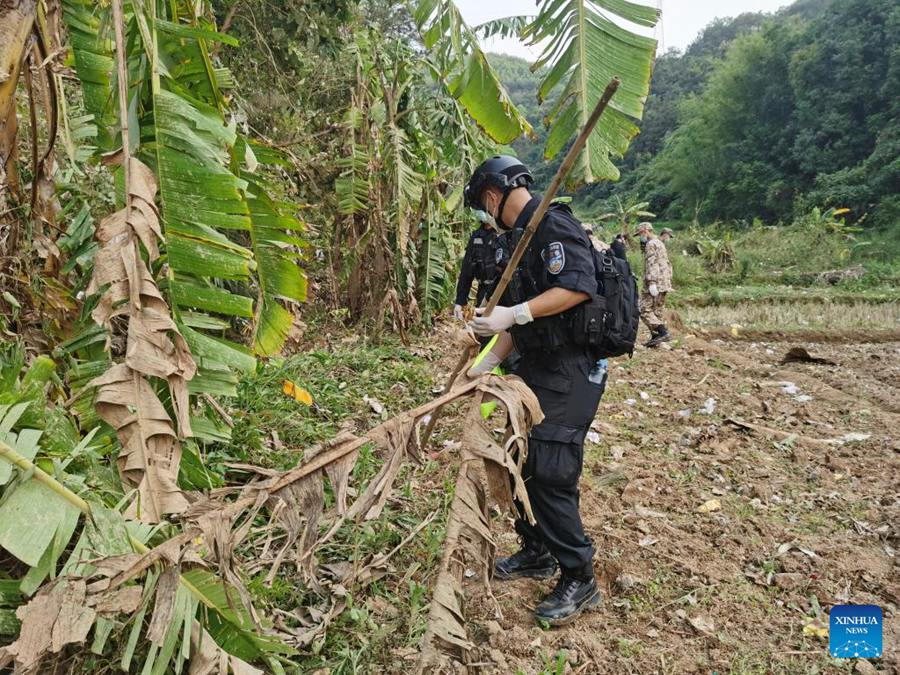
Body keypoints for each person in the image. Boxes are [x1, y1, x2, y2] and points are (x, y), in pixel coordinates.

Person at [463, 155, 605, 627]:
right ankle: (537, 549)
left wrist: (515, 312)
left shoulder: (550, 224)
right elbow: (512, 331)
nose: (484, 218)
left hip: (573, 369)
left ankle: (579, 575)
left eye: (481, 209)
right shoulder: (519, 241)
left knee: (550, 467)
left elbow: (577, 287)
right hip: (538, 365)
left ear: (491, 196)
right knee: (521, 456)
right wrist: (480, 368)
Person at [635, 222, 674, 347]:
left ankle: (662, 332)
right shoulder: (659, 243)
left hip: (655, 282)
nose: (640, 237)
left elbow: (651, 263)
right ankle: (656, 337)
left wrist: (652, 282)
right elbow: (667, 264)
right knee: (657, 311)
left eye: (640, 234)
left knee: (643, 309)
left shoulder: (650, 244)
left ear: (646, 231)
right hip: (664, 282)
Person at [453, 214, 498, 321]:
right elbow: (467, 270)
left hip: (501, 291)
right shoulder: (476, 236)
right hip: (483, 292)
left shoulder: (503, 234)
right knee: (483, 328)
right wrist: (460, 301)